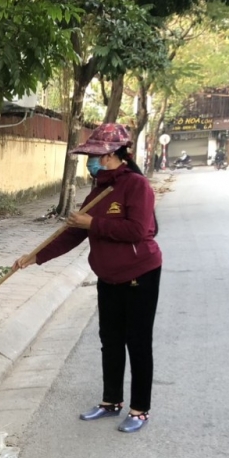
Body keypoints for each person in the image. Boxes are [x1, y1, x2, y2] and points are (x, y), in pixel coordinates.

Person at [13, 123, 162, 433]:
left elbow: (137, 230)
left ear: (113, 155)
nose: (91, 161)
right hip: (107, 276)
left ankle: (139, 409)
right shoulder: (98, 190)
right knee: (110, 340)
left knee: (137, 342)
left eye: (95, 156)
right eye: (89, 156)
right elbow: (73, 235)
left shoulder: (136, 186)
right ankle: (111, 402)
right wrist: (35, 258)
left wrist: (92, 222)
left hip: (140, 274)